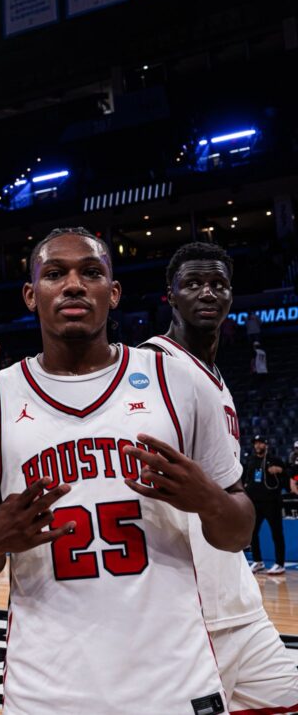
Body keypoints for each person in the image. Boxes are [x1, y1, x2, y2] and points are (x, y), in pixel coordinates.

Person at [0, 227, 253, 714]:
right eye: (55, 274)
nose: (73, 285)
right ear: (32, 295)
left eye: (90, 273)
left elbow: (237, 532)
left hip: (175, 685)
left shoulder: (176, 383)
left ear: (112, 293)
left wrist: (210, 500)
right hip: (46, 691)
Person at [142, 241, 298, 711]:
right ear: (170, 295)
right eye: (193, 284)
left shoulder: (214, 374)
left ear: (231, 296)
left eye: (218, 284)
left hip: (239, 603)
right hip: (189, 613)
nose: (207, 292)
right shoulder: (151, 367)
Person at [244, 435, 287, 575]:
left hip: (272, 503)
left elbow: (287, 476)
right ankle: (258, 561)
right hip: (255, 503)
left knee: (277, 534)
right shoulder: (251, 461)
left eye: (260, 443)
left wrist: (280, 471)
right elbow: (248, 480)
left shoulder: (275, 460)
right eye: (256, 443)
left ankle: (280, 564)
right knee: (252, 533)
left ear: (266, 445)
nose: (257, 445)